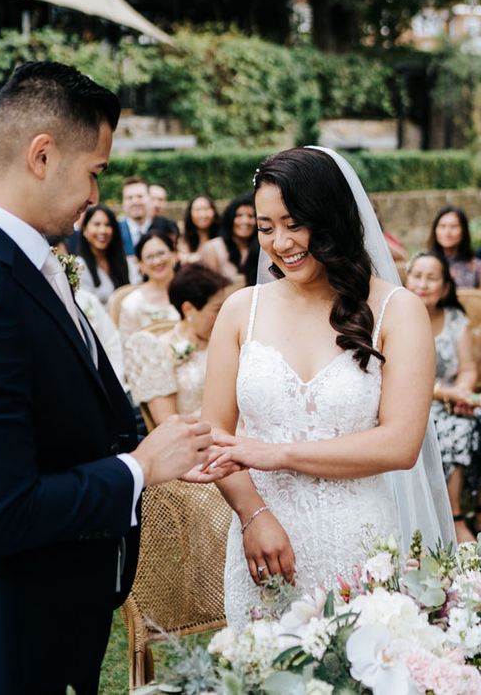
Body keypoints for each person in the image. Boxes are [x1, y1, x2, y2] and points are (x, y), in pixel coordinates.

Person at [0, 61, 234, 695]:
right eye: (95, 173)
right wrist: (140, 468)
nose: (95, 196)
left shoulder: (24, 261)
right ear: (41, 155)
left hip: (54, 618)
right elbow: (3, 512)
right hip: (1, 641)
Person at [200, 146, 454, 629]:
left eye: (294, 223)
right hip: (262, 545)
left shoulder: (398, 311)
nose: (279, 242)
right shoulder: (240, 310)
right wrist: (254, 515)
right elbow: (215, 434)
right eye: (265, 227)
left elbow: (400, 445)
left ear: (331, 217)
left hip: (357, 542)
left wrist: (278, 454)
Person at [406, 251, 481, 544]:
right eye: (417, 276)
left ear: (445, 286)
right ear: (407, 280)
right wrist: (447, 393)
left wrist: (464, 393)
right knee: (458, 432)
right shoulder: (400, 318)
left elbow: (467, 369)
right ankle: (454, 518)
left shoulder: (455, 319)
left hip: (454, 401)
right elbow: (401, 376)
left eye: (432, 278)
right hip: (415, 404)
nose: (423, 284)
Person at [125, 264, 230, 425]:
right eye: (217, 309)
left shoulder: (225, 340)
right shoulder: (157, 351)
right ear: (188, 309)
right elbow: (168, 424)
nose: (224, 315)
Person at [118, 230, 181, 339]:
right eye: (149, 257)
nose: (157, 261)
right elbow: (127, 346)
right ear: (141, 264)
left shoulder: (193, 291)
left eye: (161, 253)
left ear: (174, 254)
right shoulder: (132, 303)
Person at [428, 206, 481, 294]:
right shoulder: (425, 263)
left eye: (454, 226)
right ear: (435, 230)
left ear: (463, 231)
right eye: (442, 226)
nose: (447, 232)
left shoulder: (477, 266)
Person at [200, 194, 260, 284]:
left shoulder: (263, 248)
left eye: (251, 216)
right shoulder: (213, 248)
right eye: (239, 216)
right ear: (230, 218)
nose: (245, 221)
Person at [75, 203, 129, 304]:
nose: (103, 230)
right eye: (97, 224)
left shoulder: (122, 261)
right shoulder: (79, 266)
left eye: (107, 225)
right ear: (85, 230)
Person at [181, 194, 220, 261]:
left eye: (206, 209)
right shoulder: (183, 237)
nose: (203, 215)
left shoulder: (223, 235)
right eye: (198, 210)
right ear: (190, 213)